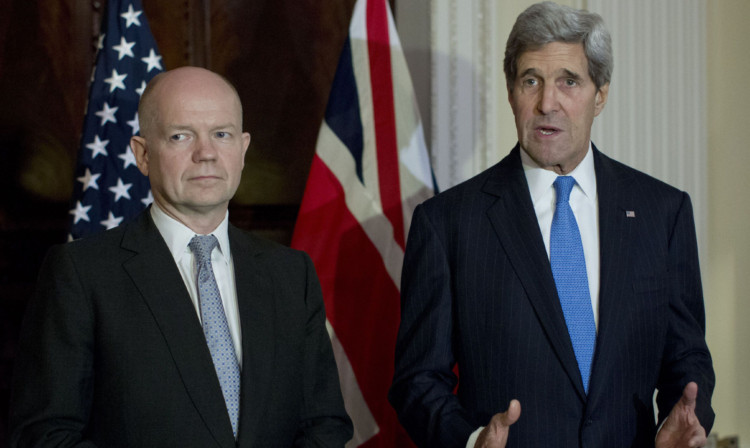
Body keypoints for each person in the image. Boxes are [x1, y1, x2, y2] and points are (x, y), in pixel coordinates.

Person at [388, 2, 715, 447]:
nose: (547, 102)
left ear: (600, 95)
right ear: (511, 92)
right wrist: (471, 439)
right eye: (531, 81)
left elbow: (687, 358)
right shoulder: (447, 224)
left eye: (569, 81)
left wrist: (675, 427)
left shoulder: (663, 212)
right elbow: (417, 380)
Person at [9, 66, 353, 447]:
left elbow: (324, 424)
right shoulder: (82, 274)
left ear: (242, 150)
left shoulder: (291, 275)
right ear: (142, 155)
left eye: (221, 134)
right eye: (180, 136)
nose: (205, 153)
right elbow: (44, 435)